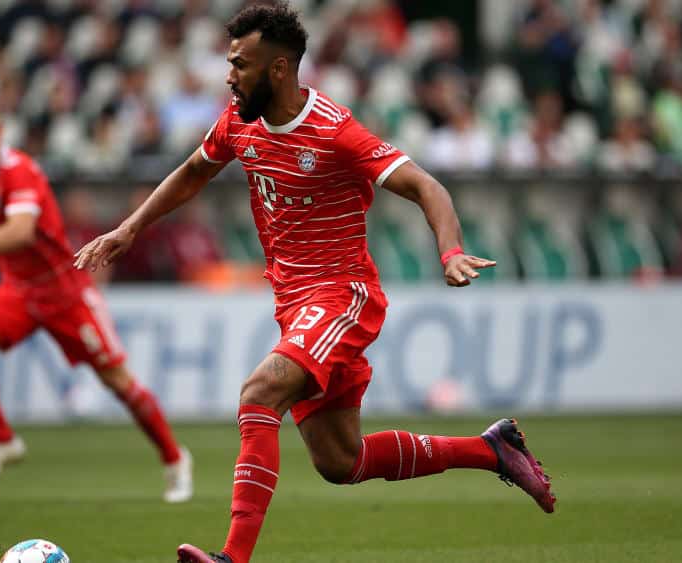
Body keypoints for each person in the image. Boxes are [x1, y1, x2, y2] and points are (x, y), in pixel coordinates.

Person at [74, 5, 556, 563]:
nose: (229, 76)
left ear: (278, 68)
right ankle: (492, 450)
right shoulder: (238, 121)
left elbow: (427, 186)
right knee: (340, 462)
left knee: (259, 393)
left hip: (342, 296)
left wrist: (449, 251)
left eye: (240, 64)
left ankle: (232, 558)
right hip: (294, 305)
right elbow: (194, 171)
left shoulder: (333, 130)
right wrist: (129, 228)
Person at [0, 97, 192, 499]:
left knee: (119, 382)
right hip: (18, 290)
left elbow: (21, 230)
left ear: (0, 132)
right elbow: (0, 226)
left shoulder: (19, 171)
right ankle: (3, 440)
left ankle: (175, 460)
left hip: (65, 292)